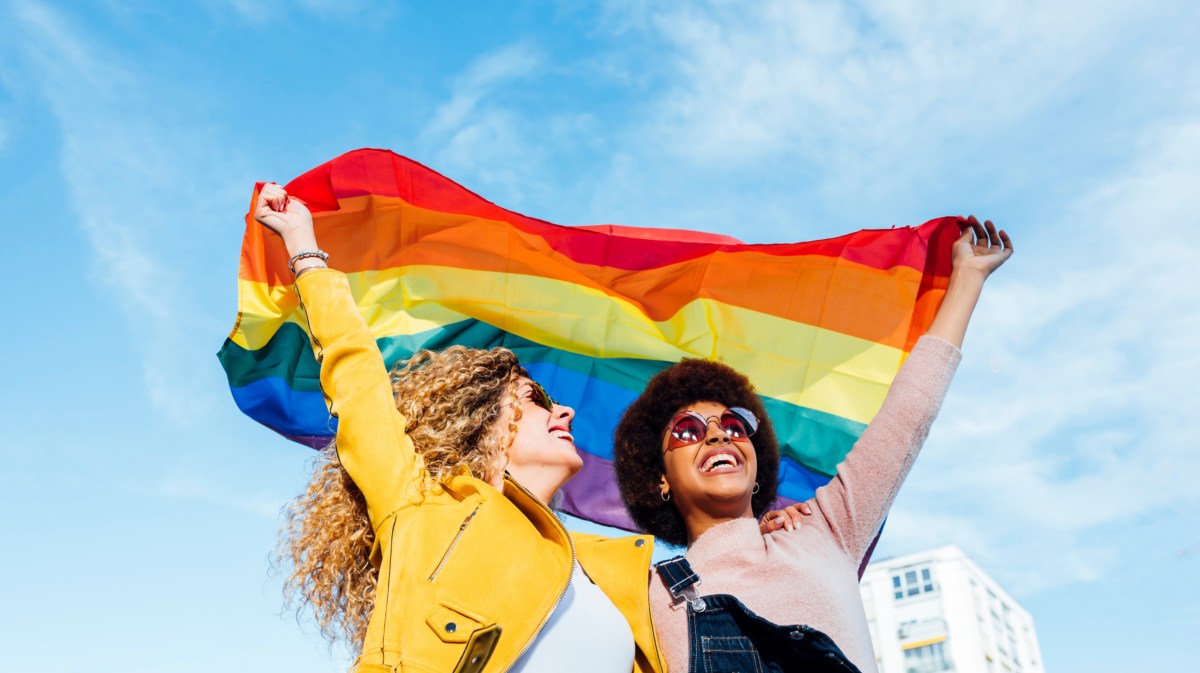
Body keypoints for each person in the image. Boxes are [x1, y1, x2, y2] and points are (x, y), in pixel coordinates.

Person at [254, 183, 809, 673]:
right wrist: (304, 250)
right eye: (537, 400)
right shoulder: (422, 511)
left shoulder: (611, 569)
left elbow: (710, 606)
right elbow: (358, 381)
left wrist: (751, 533)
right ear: (483, 424)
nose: (564, 413)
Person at [612, 218, 1013, 673]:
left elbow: (908, 414)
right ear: (658, 478)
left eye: (734, 425)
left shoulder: (828, 531)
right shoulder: (647, 595)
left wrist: (968, 278)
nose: (718, 434)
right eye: (687, 430)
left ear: (758, 464)